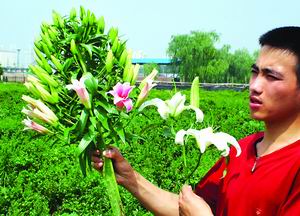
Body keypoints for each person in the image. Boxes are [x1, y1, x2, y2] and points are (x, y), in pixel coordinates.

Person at [92, 26, 300, 215]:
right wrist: (130, 177)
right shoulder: (241, 149)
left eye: (271, 77)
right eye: (255, 72)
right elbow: (187, 208)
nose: (255, 86)